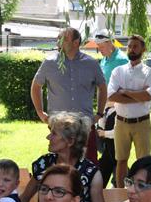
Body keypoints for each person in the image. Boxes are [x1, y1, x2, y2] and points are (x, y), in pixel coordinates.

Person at [30, 27, 107, 162]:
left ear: (76, 42)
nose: (58, 42)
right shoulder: (49, 63)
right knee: (61, 163)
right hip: (59, 126)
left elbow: (102, 87)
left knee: (87, 163)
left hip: (84, 124)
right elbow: (36, 86)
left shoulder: (91, 63)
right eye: (58, 39)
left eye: (63, 39)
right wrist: (40, 113)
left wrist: (99, 114)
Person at [20, 111, 106, 202]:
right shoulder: (44, 164)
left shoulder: (91, 173)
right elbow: (24, 199)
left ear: (70, 141)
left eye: (54, 134)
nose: (48, 137)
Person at [107, 34, 151, 187]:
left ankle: (141, 190)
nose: (131, 49)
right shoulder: (118, 71)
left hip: (142, 123)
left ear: (143, 49)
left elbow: (148, 96)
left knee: (143, 162)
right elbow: (112, 95)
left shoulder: (150, 72)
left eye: (135, 46)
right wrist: (138, 96)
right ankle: (120, 192)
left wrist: (125, 91)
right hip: (121, 122)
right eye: (129, 46)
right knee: (121, 160)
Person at [95, 29, 129, 188]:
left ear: (109, 43)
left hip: (117, 110)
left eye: (101, 46)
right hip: (105, 110)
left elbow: (125, 89)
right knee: (109, 152)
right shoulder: (104, 60)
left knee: (113, 152)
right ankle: (115, 184)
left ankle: (115, 184)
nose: (99, 49)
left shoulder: (122, 60)